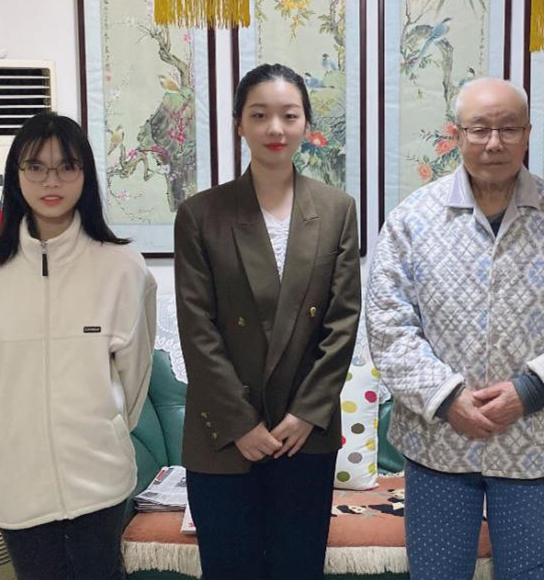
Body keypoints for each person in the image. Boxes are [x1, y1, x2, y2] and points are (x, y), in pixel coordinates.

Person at [367, 77, 544, 579]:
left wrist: (528, 391)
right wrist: (446, 398)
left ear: (527, 134)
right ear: (457, 134)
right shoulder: (414, 218)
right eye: (479, 129)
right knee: (436, 573)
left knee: (531, 572)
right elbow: (388, 324)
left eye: (508, 129)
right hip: (437, 439)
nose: (494, 143)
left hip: (531, 436)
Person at [0, 112, 157, 579]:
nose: (51, 181)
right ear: (16, 174)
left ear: (86, 175)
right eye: (36, 167)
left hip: (100, 478)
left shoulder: (122, 267)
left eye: (67, 166)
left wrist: (107, 429)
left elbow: (135, 375)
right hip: (15, 482)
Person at [174, 63, 360, 580]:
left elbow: (343, 322)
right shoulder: (201, 214)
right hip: (223, 434)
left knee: (298, 567)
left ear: (306, 124)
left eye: (289, 115)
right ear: (239, 123)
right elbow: (198, 329)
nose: (275, 128)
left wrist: (306, 414)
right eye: (259, 115)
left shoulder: (337, 209)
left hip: (304, 433)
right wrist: (241, 424)